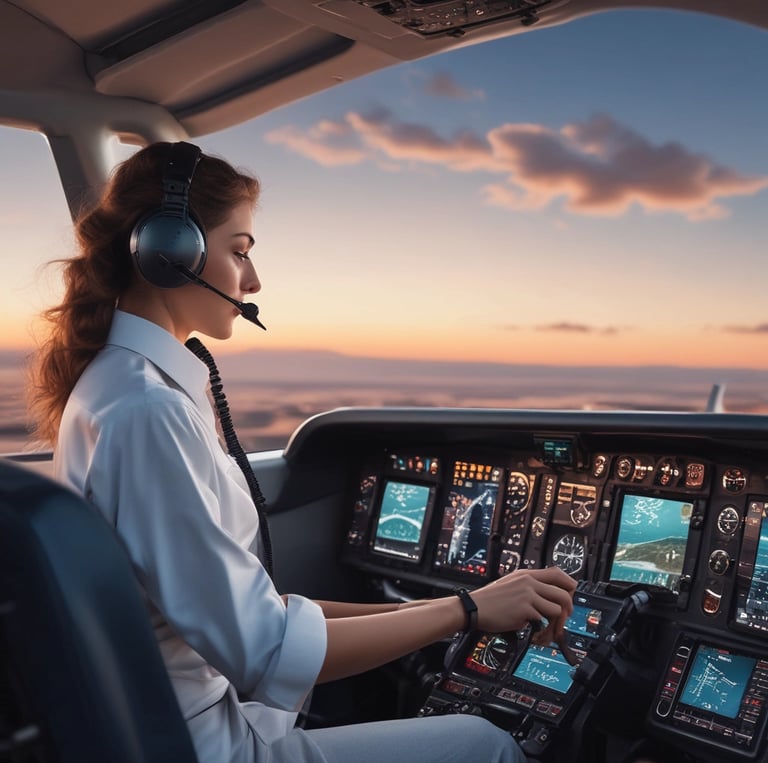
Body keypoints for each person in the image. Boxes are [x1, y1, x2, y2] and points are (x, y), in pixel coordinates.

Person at [29, 141, 577, 763]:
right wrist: (467, 610)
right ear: (169, 251)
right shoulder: (147, 411)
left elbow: (255, 612)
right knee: (485, 744)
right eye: (239, 252)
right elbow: (263, 649)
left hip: (166, 720)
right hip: (198, 745)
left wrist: (443, 607)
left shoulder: (119, 387)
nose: (254, 280)